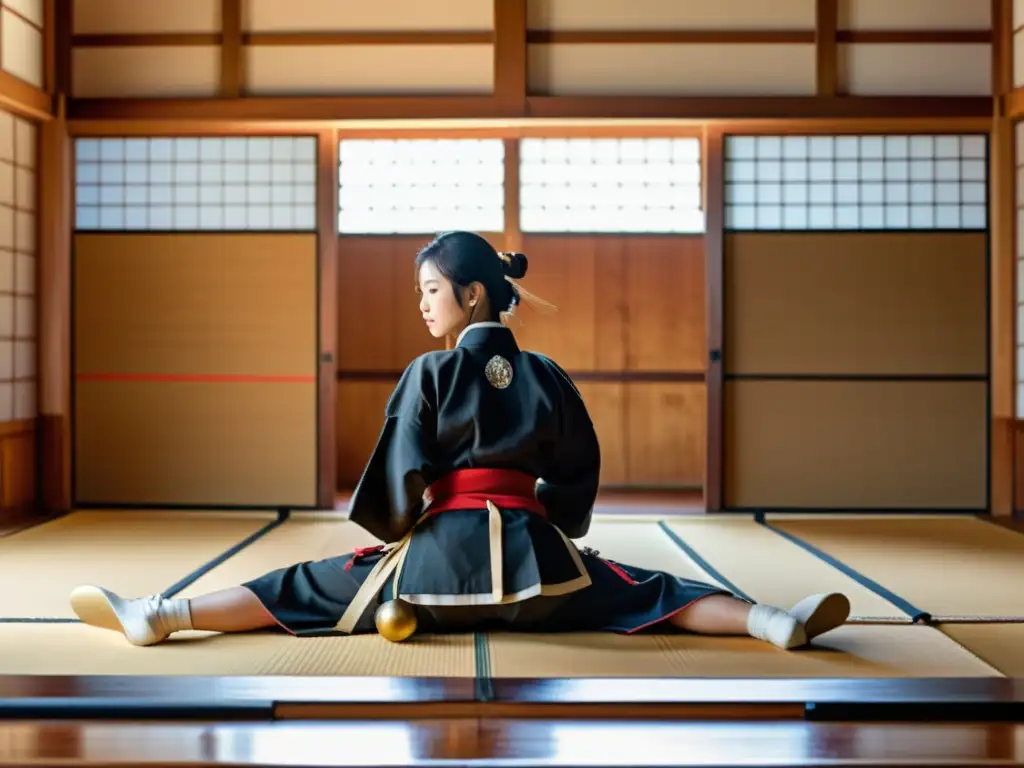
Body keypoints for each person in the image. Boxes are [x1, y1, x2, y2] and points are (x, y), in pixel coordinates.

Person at [69, 231, 851, 649]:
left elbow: (398, 480)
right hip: (545, 577)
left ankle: (163, 615)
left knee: (304, 586)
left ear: (470, 292)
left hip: (429, 578)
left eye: (430, 290)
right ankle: (770, 621)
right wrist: (555, 522)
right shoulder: (546, 372)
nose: (422, 306)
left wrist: (397, 538)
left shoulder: (428, 373)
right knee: (650, 591)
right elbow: (581, 467)